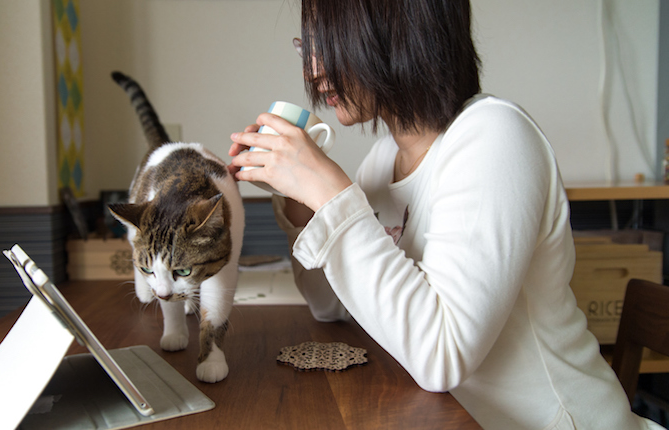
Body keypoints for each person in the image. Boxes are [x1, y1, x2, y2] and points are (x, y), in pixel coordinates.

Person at [229, 1, 662, 428]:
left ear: (397, 28)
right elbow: (332, 306)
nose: (312, 69)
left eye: (328, 41)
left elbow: (441, 355)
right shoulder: (382, 161)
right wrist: (305, 207)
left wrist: (332, 196)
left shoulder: (494, 138)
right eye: (308, 47)